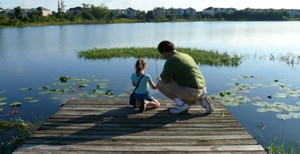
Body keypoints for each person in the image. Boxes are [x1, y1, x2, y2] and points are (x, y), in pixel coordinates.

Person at [156, 40, 214, 114]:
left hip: (191, 92)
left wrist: (160, 79)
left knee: (159, 84)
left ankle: (181, 105)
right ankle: (201, 101)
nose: (162, 56)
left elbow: (164, 81)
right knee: (183, 94)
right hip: (202, 90)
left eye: (161, 54)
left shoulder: (171, 60)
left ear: (164, 52)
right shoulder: (185, 55)